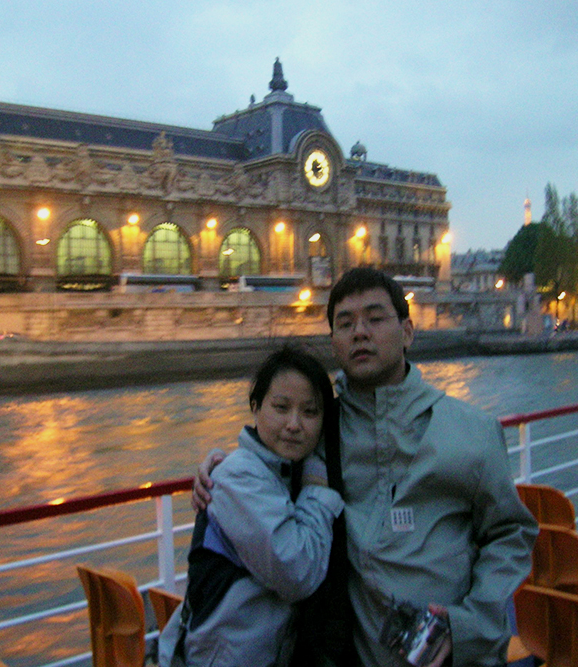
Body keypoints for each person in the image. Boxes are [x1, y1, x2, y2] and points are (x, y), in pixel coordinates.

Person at [195, 268, 537, 667]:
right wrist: (214, 467)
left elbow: (510, 535)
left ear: (408, 332)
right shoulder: (316, 432)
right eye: (345, 323)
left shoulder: (474, 431)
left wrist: (470, 625)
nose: (360, 332)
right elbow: (262, 462)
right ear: (334, 344)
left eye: (375, 319)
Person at [160, 346, 345, 667]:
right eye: (281, 407)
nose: (294, 424)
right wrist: (317, 490)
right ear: (256, 407)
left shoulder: (280, 472)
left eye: (310, 412)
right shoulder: (237, 477)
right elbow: (297, 572)